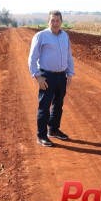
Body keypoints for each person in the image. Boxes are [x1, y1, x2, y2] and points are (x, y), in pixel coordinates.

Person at [28, 10, 75, 147]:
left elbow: (69, 56)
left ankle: (53, 130)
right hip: (46, 76)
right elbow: (32, 59)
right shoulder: (41, 36)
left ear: (61, 21)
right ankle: (41, 136)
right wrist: (37, 76)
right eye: (52, 20)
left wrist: (70, 74)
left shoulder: (65, 36)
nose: (55, 23)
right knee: (44, 106)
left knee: (58, 104)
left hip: (61, 76)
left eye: (57, 20)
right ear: (48, 21)